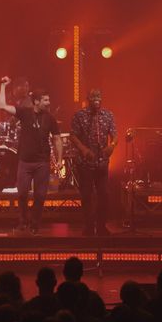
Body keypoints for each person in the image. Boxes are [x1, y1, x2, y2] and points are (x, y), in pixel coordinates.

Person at [0, 76, 62, 235]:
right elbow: (2, 105)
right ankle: (23, 220)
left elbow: (57, 139)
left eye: (48, 100)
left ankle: (35, 223)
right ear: (36, 102)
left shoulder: (50, 118)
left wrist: (60, 160)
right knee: (22, 194)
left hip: (42, 162)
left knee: (40, 196)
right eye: (45, 100)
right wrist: (3, 86)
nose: (48, 103)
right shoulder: (24, 113)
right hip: (25, 162)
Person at [70, 89, 118, 236]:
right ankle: (89, 226)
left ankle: (101, 225)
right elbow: (72, 136)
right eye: (93, 96)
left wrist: (112, 146)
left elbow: (115, 135)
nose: (96, 99)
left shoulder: (108, 115)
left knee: (103, 194)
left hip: (102, 162)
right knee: (87, 195)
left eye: (98, 96)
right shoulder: (80, 116)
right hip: (85, 163)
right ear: (88, 99)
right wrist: (83, 150)